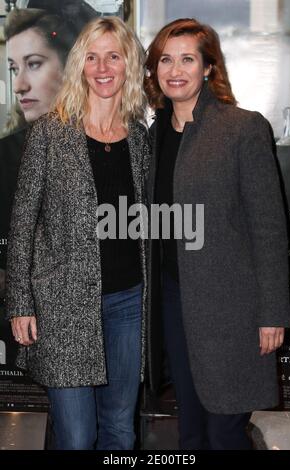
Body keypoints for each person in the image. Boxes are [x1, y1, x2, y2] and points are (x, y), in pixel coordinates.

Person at [144, 18, 290, 450]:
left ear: (208, 67)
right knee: (189, 425)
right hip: (173, 300)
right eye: (165, 59)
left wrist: (272, 312)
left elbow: (267, 227)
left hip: (234, 308)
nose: (176, 69)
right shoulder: (152, 138)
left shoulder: (242, 127)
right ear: (154, 70)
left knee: (225, 428)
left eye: (188, 58)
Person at [5, 16, 149, 450]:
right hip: (63, 307)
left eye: (113, 56)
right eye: (92, 57)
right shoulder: (50, 132)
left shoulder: (140, 138)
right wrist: (20, 303)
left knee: (121, 428)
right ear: (79, 66)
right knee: (77, 437)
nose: (103, 67)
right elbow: (23, 223)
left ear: (128, 65)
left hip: (128, 303)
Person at [0, 7, 83, 270]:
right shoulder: (6, 155)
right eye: (14, 69)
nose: (19, 85)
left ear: (70, 67)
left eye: (34, 64)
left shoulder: (104, 142)